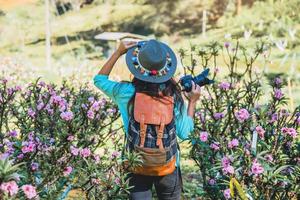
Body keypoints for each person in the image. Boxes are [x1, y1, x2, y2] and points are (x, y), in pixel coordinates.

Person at [93, 39, 201, 200]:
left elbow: (99, 80)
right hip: (168, 166)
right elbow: (186, 134)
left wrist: (117, 53)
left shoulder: (125, 92)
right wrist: (192, 101)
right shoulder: (173, 96)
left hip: (136, 164)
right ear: (165, 68)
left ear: (138, 67)